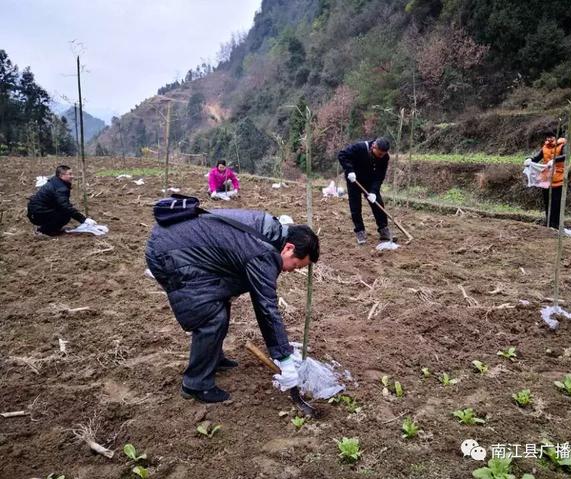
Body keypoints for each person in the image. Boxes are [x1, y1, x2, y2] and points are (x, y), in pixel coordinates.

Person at [145, 209, 320, 403]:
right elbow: (267, 308)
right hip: (170, 253)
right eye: (295, 265)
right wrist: (285, 360)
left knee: (220, 300)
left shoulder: (270, 230)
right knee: (211, 315)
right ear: (288, 248)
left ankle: (212, 358)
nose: (290, 271)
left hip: (181, 244)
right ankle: (196, 385)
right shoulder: (264, 253)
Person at [338, 137, 394, 245]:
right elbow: (342, 155)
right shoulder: (359, 147)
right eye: (379, 154)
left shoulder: (385, 157)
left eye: (383, 154)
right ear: (374, 147)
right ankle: (360, 231)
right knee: (355, 206)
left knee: (378, 204)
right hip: (353, 180)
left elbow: (380, 176)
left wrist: (374, 191)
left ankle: (383, 229)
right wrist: (349, 170)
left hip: (370, 182)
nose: (381, 156)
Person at [27, 165, 97, 236]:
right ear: (61, 175)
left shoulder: (55, 180)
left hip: (34, 212)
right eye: (70, 174)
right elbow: (65, 206)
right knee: (65, 215)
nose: (72, 176)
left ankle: (50, 229)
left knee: (64, 211)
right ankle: (44, 231)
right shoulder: (61, 188)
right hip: (38, 213)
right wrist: (84, 220)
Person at [525, 132, 566, 229]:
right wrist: (529, 159)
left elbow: (565, 156)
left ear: (555, 137)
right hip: (545, 178)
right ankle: (548, 222)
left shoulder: (562, 146)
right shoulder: (545, 147)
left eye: (551, 137)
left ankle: (555, 224)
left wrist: (555, 160)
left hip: (558, 177)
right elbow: (537, 158)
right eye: (547, 137)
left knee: (556, 203)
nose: (549, 139)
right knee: (547, 201)